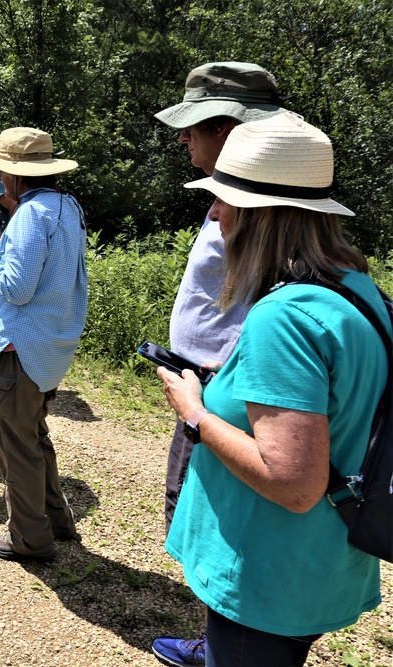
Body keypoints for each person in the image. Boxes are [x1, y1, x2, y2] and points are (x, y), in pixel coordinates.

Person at [157, 111, 387, 667]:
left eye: (223, 200)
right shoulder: (357, 287)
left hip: (265, 575)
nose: (214, 212)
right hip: (318, 561)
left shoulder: (282, 317)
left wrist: (195, 413)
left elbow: (293, 482)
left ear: (262, 216)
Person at [151, 62, 287, 667]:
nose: (184, 138)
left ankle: (227, 648)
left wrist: (212, 397)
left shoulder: (264, 208)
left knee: (216, 520)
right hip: (209, 386)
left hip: (227, 394)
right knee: (202, 514)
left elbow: (274, 316)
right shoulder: (234, 199)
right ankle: (224, 642)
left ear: (231, 127)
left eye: (193, 126)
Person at [0, 127, 86, 562]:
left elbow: (15, 289)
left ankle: (29, 540)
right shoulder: (66, 206)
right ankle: (55, 520)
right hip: (51, 343)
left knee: (16, 450)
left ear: (13, 176)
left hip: (18, 349)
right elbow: (45, 270)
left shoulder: (31, 214)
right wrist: (1, 247)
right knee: (34, 435)